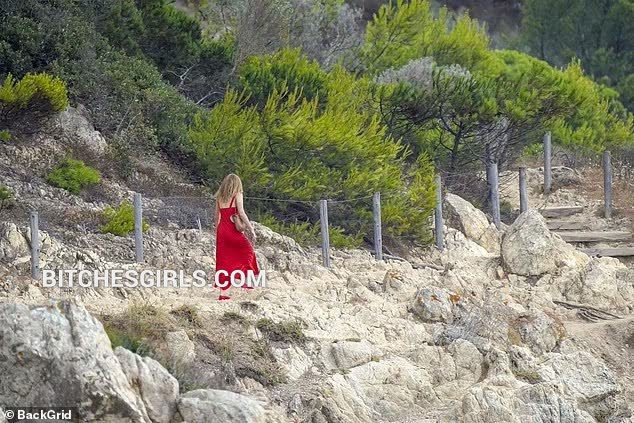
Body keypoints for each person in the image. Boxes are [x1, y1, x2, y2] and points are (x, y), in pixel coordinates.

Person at [214, 174, 259, 300]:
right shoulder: (237, 195)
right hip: (232, 230)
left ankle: (223, 293)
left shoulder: (219, 196)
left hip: (222, 230)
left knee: (224, 260)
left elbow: (217, 216)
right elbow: (242, 213)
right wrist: (251, 228)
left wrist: (217, 231)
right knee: (248, 252)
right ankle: (245, 282)